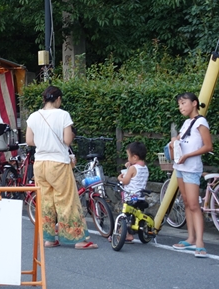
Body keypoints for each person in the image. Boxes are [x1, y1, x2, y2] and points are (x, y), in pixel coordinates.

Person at [25, 86, 97, 250]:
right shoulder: (63, 115)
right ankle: (78, 239)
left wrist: (44, 143)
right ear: (57, 99)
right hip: (58, 163)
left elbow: (29, 140)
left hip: (40, 163)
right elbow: (67, 140)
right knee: (66, 200)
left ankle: (49, 239)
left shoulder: (33, 116)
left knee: (46, 201)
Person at [169, 92, 213, 258]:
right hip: (180, 167)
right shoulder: (186, 123)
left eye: (183, 103)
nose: (181, 107)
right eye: (179, 104)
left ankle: (200, 242)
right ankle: (191, 238)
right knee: (186, 202)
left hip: (192, 168)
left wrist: (188, 155)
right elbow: (179, 141)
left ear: (194, 103)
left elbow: (208, 146)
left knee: (194, 205)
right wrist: (173, 144)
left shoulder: (201, 122)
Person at [114, 141, 149, 242]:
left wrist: (120, 178)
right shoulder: (145, 167)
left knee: (125, 215)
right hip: (140, 196)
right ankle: (130, 232)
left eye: (128, 156)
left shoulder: (133, 168)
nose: (127, 158)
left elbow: (126, 181)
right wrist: (129, 166)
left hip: (130, 196)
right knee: (133, 214)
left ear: (135, 157)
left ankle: (123, 234)